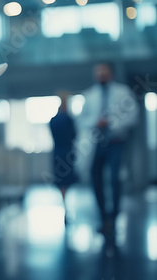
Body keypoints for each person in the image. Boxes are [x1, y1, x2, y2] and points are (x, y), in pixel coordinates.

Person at [77, 63, 139, 235]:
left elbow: (133, 116)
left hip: (116, 142)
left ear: (111, 73)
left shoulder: (123, 92)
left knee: (114, 180)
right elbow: (82, 120)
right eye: (98, 72)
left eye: (104, 71)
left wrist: (111, 122)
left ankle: (113, 218)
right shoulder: (89, 95)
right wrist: (96, 123)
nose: (101, 74)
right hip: (96, 144)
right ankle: (104, 217)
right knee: (95, 180)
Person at [49, 91, 78, 222]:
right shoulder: (68, 119)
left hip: (57, 153)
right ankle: (65, 207)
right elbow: (74, 135)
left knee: (62, 182)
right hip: (67, 152)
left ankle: (64, 205)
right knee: (66, 181)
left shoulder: (53, 120)